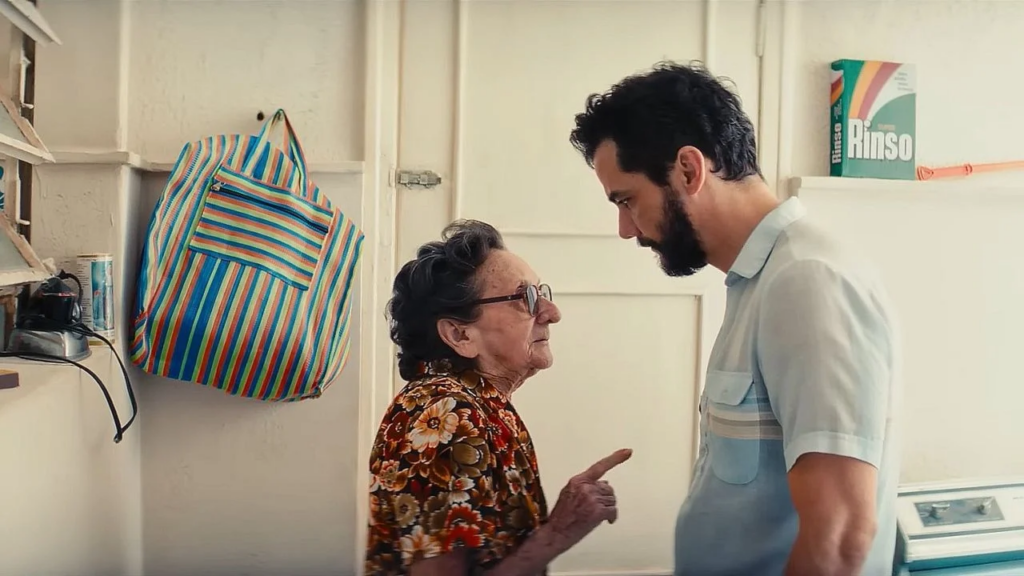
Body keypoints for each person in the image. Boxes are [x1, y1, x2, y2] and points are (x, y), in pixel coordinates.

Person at [568, 61, 902, 576]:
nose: (625, 229)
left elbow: (839, 538)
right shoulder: (759, 282)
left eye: (627, 200)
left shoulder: (806, 280)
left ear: (688, 170)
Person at [364, 219, 633, 575]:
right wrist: (558, 532)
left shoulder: (476, 404)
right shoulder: (446, 412)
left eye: (542, 293)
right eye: (526, 298)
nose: (552, 313)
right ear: (460, 335)